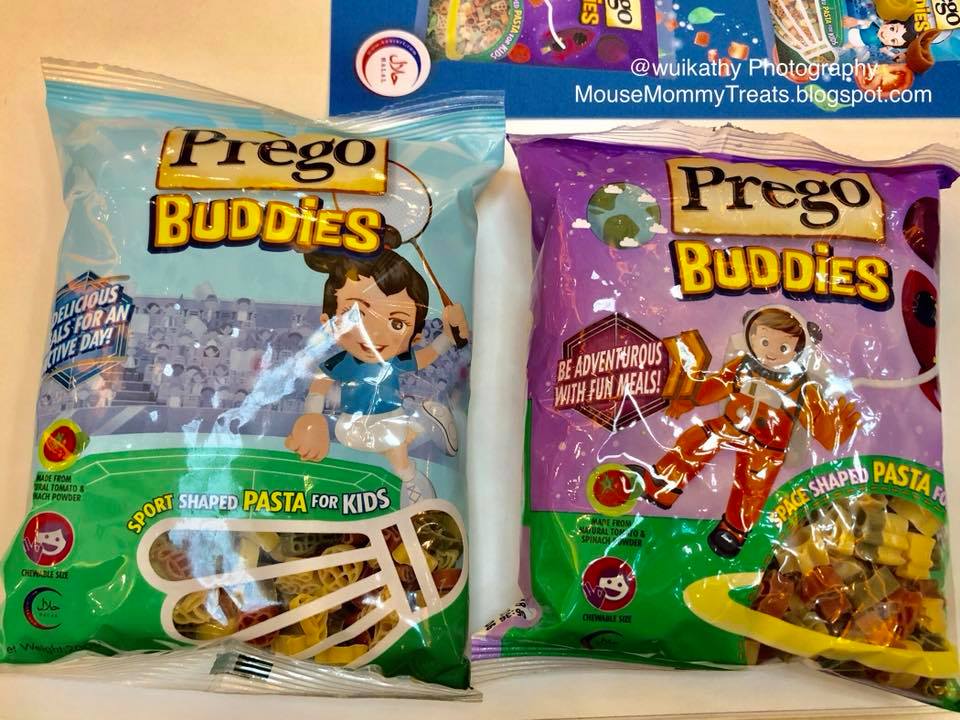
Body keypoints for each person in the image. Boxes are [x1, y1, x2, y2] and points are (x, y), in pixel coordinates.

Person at [634, 306, 860, 558]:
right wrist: (690, 399)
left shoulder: (802, 384)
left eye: (783, 347)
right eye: (764, 342)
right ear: (752, 338)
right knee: (695, 439)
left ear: (798, 350)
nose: (771, 353)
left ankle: (733, 530)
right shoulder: (742, 367)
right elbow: (717, 383)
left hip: (768, 445)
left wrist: (835, 429)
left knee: (752, 486)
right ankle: (662, 484)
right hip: (731, 425)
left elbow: (816, 418)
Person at [285, 249, 466, 506]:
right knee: (391, 449)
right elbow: (320, 383)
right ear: (328, 323)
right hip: (353, 426)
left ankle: (415, 465)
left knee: (398, 456)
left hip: (389, 419)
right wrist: (312, 416)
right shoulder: (345, 362)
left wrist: (449, 337)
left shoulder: (393, 360)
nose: (376, 334)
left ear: (414, 336)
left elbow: (425, 356)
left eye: (397, 324)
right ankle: (423, 429)